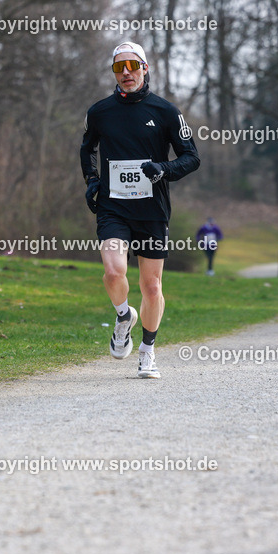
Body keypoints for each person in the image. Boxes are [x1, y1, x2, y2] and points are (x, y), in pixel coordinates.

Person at [81, 41, 200, 378]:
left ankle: (147, 351)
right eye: (119, 67)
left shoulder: (165, 111)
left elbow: (191, 157)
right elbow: (87, 149)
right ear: (113, 73)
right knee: (114, 271)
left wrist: (163, 169)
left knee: (152, 287)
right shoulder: (100, 112)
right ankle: (123, 316)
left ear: (145, 68)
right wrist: (92, 179)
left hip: (152, 209)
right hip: (113, 206)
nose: (126, 73)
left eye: (133, 66)